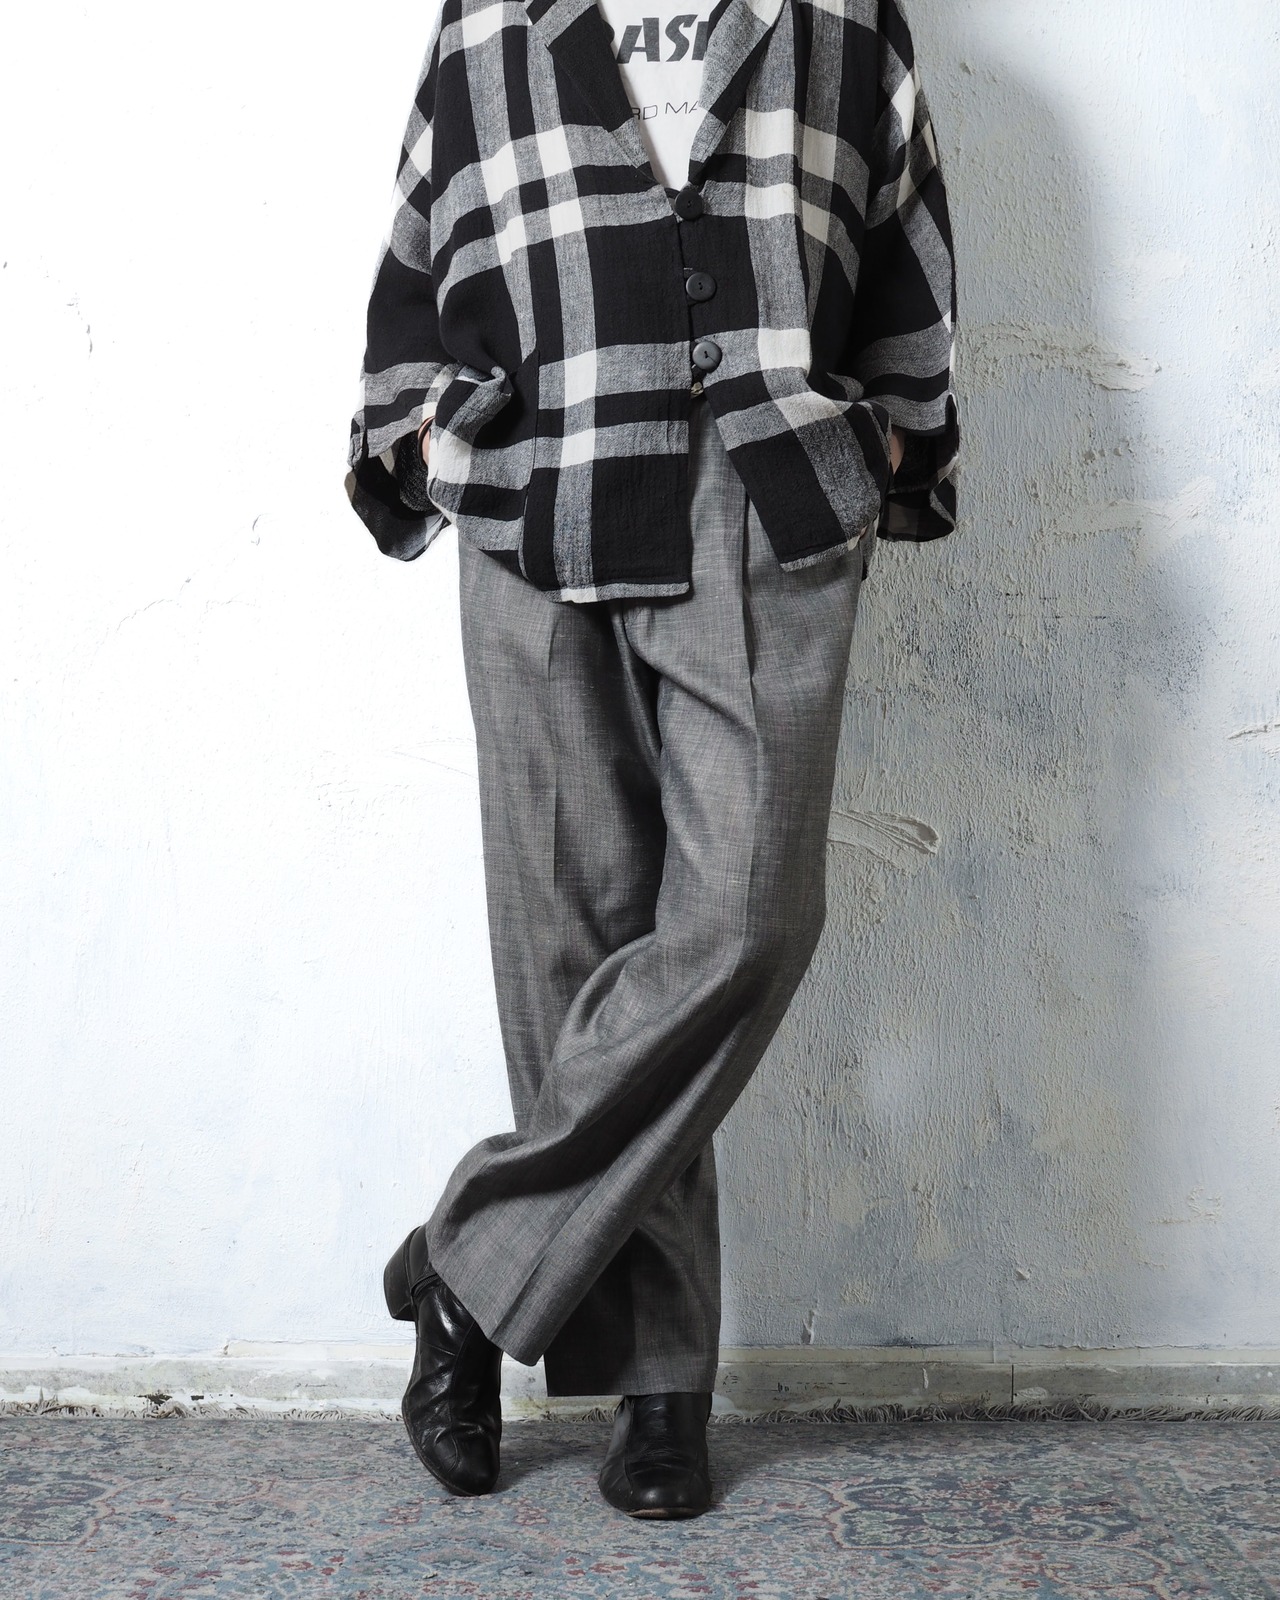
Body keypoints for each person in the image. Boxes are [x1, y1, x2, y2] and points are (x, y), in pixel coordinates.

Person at [346, 0, 959, 1520]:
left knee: (747, 916)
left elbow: (902, 234)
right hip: (538, 481)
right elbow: (423, 240)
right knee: (574, 942)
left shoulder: (844, 13)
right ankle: (661, 1387)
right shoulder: (490, 17)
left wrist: (891, 439)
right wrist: (422, 437)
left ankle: (468, 1269)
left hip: (762, 491)